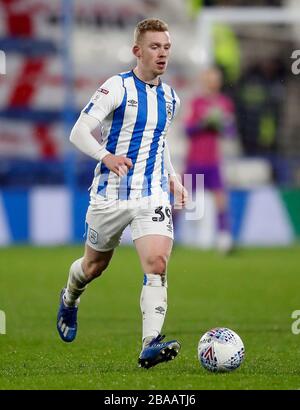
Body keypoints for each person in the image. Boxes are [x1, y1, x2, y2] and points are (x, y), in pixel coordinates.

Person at [56, 18, 188, 369]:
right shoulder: (117, 87)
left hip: (151, 194)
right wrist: (106, 156)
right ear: (137, 51)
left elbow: (159, 142)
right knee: (94, 266)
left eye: (167, 47)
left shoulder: (171, 97)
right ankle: (70, 296)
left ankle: (150, 343)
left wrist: (172, 177)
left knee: (157, 263)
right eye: (155, 46)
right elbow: (79, 131)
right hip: (110, 194)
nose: (162, 54)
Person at [184, 67, 237, 253]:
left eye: (215, 79)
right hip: (195, 161)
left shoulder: (225, 103)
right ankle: (166, 238)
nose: (213, 82)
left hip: (213, 161)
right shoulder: (196, 103)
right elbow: (187, 131)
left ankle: (225, 240)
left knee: (221, 199)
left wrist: (221, 123)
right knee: (181, 200)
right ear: (204, 80)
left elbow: (231, 132)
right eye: (209, 78)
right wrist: (204, 123)